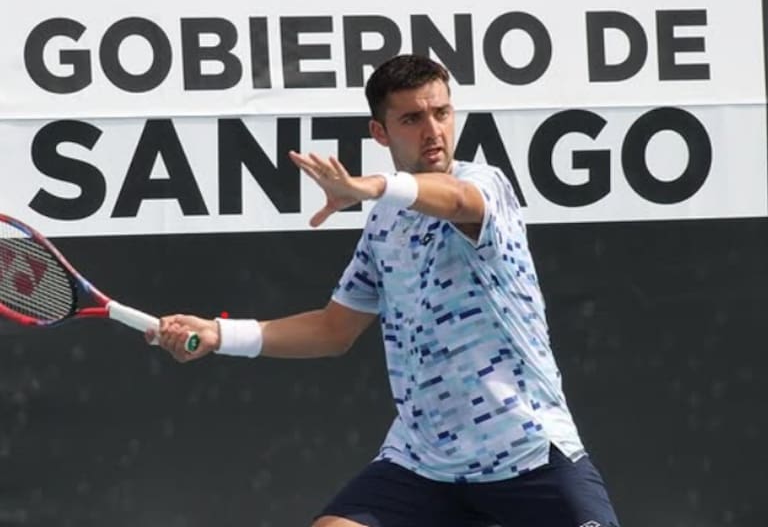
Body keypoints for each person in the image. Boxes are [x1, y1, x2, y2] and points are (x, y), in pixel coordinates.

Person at [150, 54, 621, 527]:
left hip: (528, 455)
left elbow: (456, 201)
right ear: (381, 132)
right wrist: (219, 334)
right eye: (412, 119)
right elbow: (333, 329)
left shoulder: (484, 185)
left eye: (441, 113)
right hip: (423, 464)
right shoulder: (385, 224)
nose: (433, 131)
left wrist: (373, 185)